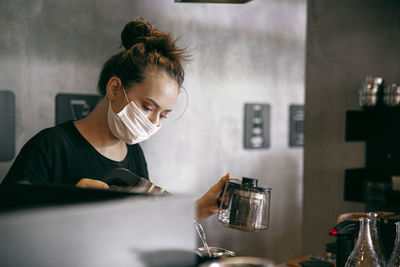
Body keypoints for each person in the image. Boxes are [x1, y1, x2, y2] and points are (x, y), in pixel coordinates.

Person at [1, 18, 229, 222]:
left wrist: (198, 210)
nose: (154, 123)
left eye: (163, 116)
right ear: (114, 88)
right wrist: (68, 205)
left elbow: (141, 226)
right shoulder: (50, 147)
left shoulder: (135, 155)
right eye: (148, 107)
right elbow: (8, 224)